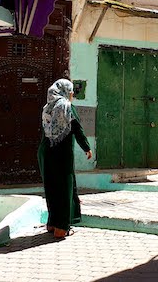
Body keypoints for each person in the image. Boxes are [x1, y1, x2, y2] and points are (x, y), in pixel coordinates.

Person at [38, 79, 92, 238]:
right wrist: (87, 148)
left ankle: (52, 224)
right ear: (65, 92)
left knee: (51, 189)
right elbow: (77, 129)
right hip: (61, 154)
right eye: (71, 91)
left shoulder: (47, 108)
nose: (72, 94)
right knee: (64, 189)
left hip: (45, 152)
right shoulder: (67, 107)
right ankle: (62, 228)